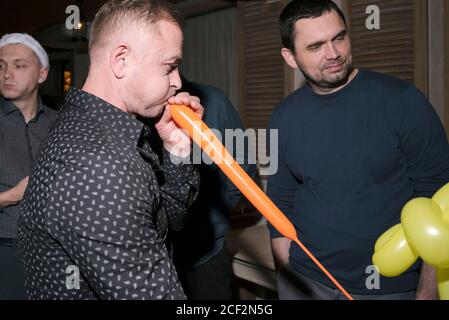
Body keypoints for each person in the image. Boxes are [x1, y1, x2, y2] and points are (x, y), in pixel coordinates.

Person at [17, 0, 203, 300]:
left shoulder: (93, 125)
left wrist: (176, 149)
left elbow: (166, 221)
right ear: (122, 60)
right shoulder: (99, 166)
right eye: (170, 66)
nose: (177, 81)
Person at [267, 0, 449, 300]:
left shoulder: (403, 100)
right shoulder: (283, 116)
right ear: (290, 57)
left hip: (387, 287)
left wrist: (426, 295)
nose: (334, 53)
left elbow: (439, 203)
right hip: (306, 280)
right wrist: (289, 276)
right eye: (316, 46)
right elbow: (279, 201)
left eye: (339, 38)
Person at [168, 77, 257, 300]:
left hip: (206, 253)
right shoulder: (130, 110)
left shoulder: (214, 101)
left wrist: (214, 211)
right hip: (151, 257)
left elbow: (243, 165)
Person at [0, 33, 57, 299]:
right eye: (1, 66)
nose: (7, 74)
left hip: (56, 253)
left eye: (19, 65)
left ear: (42, 74)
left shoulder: (62, 126)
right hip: (5, 252)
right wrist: (11, 197)